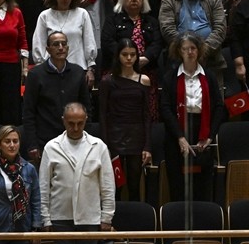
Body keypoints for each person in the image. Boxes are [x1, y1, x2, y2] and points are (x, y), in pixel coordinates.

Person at [38, 102, 115, 244]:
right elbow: (44, 186)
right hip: (60, 216)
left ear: (86, 120)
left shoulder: (99, 146)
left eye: (80, 123)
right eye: (71, 123)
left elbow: (107, 186)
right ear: (63, 120)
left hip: (89, 217)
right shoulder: (51, 147)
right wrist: (45, 217)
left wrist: (106, 217)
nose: (75, 128)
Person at [160, 34, 224, 202]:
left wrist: (209, 137)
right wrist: (180, 137)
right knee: (178, 185)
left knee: (202, 186)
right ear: (179, 51)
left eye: (193, 48)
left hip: (202, 131)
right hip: (177, 134)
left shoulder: (208, 77)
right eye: (185, 49)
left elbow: (219, 107)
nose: (190, 52)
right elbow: (165, 109)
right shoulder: (170, 77)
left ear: (199, 50)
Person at [98, 40, 156, 202]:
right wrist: (105, 145)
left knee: (134, 186)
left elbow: (147, 115)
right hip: (114, 136)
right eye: (125, 54)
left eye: (133, 54)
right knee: (115, 186)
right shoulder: (107, 81)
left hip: (136, 137)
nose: (129, 58)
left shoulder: (143, 80)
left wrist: (147, 146)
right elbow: (102, 115)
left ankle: (134, 223)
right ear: (118, 56)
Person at [24, 31, 91, 163]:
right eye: (56, 44)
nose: (60, 47)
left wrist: (86, 138)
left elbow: (86, 107)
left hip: (74, 138)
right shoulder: (35, 75)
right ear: (48, 49)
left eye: (63, 44)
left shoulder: (78, 72)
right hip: (45, 140)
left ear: (68, 48)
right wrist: (32, 144)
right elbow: (28, 112)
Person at [159, 0, 228, 78]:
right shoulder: (169, 1)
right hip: (179, 59)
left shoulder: (214, 0)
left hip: (210, 59)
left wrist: (201, 51)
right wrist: (186, 50)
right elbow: (167, 30)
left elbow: (220, 29)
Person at [32, 0, 97, 82]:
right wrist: (40, 67)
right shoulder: (44, 16)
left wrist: (90, 68)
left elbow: (89, 42)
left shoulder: (82, 14)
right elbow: (39, 43)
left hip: (78, 69)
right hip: (51, 71)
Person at [101, 0, 163, 82]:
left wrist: (146, 57)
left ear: (143, 0)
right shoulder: (112, 20)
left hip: (146, 70)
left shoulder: (152, 21)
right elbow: (107, 42)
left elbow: (157, 43)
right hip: (118, 70)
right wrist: (126, 58)